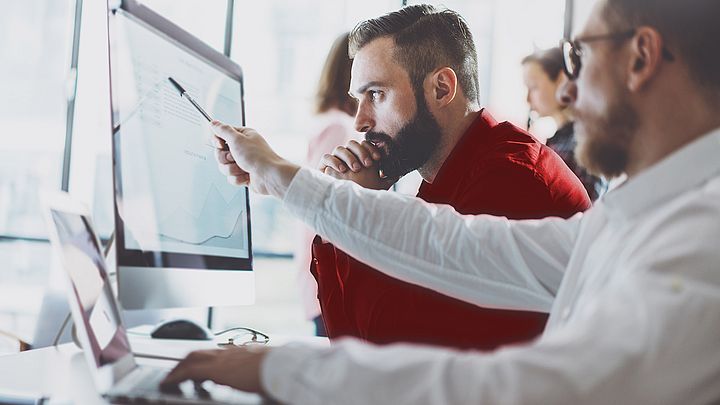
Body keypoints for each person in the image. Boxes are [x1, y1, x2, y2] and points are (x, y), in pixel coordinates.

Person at [163, 0, 720, 403]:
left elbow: (515, 387)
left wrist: (283, 370)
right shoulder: (639, 215)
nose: (566, 92)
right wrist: (286, 180)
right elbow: (453, 244)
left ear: (642, 57)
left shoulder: (697, 241)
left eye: (581, 57)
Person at [308, 7, 590, 350]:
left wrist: (362, 210)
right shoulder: (444, 178)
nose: (361, 122)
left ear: (442, 89)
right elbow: (348, 346)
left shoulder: (510, 181)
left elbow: (392, 352)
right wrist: (340, 220)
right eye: (359, 99)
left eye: (377, 94)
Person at [294, 32, 358, 336]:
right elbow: (322, 199)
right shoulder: (340, 127)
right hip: (330, 275)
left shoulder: (331, 122)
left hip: (321, 272)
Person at [522, 47, 606, 200]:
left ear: (561, 79)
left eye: (533, 87)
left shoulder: (584, 143)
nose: (527, 99)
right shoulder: (559, 142)